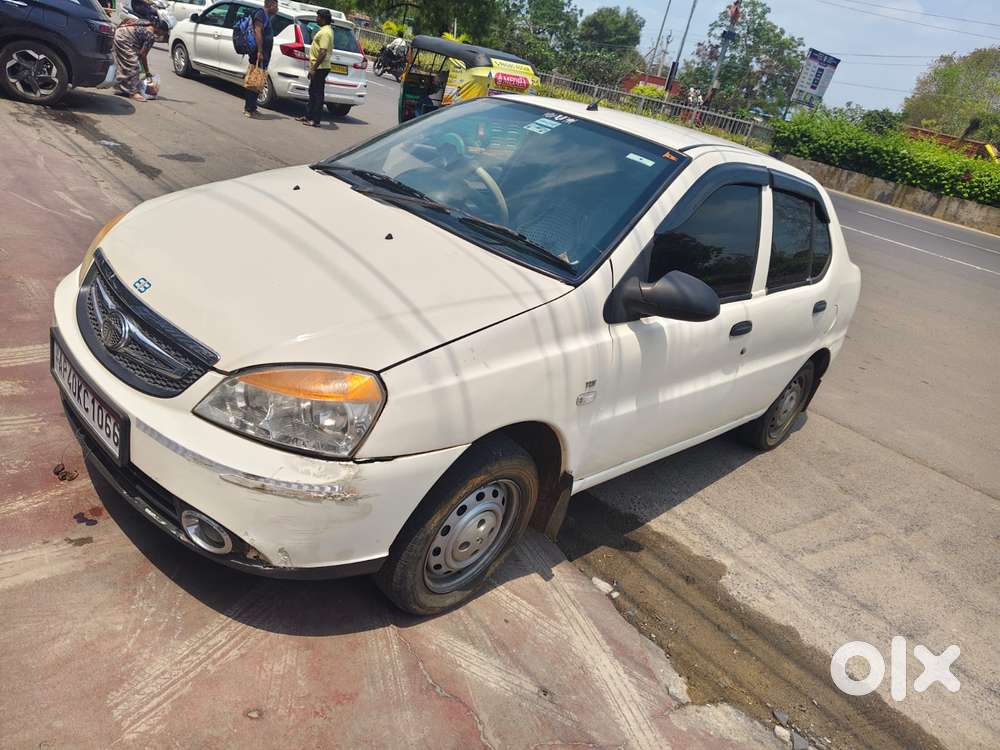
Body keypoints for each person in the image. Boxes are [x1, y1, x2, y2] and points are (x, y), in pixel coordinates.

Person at [244, 0, 278, 118]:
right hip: (258, 53)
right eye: (276, 5)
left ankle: (253, 107)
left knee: (259, 80)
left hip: (263, 53)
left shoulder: (266, 16)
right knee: (254, 80)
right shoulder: (260, 14)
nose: (277, 8)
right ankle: (249, 109)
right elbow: (257, 32)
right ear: (270, 4)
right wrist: (259, 51)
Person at [300, 8, 333, 127]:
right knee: (312, 91)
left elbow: (322, 52)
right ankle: (308, 116)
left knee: (317, 94)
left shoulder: (325, 32)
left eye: (318, 17)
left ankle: (315, 120)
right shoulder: (325, 30)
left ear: (323, 19)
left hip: (321, 67)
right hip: (319, 66)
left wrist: (314, 68)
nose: (317, 19)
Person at [113, 16, 156, 101]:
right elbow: (143, 55)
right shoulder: (150, 35)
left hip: (120, 34)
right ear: (160, 30)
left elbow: (127, 19)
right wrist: (147, 72)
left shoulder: (146, 22)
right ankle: (133, 93)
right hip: (124, 39)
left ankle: (121, 89)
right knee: (134, 65)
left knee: (124, 63)